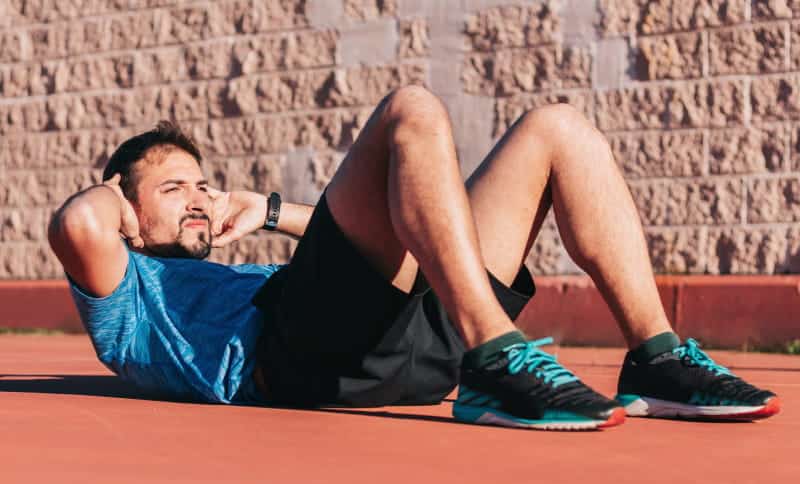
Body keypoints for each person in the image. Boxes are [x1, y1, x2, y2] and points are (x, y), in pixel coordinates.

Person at [48, 86, 780, 430]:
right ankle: (496, 355)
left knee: (556, 128)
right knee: (410, 111)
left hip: (411, 345)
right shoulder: (133, 290)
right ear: (130, 214)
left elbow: (389, 240)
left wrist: (270, 211)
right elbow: (81, 220)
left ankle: (653, 354)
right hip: (300, 360)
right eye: (175, 189)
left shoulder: (240, 269)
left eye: (204, 182)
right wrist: (126, 190)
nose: (201, 197)